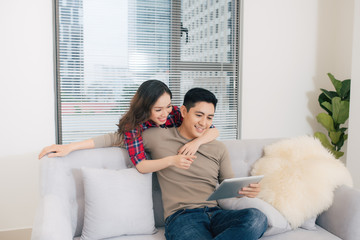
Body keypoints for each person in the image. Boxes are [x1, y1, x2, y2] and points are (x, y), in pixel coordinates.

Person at [141, 88, 268, 240]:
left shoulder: (218, 148)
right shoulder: (158, 137)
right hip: (182, 217)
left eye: (209, 118)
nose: (203, 123)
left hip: (216, 214)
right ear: (183, 111)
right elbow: (119, 137)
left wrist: (246, 191)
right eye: (199, 115)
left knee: (257, 218)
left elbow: (228, 185)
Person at [39, 80, 219, 173]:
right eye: (158, 109)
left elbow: (213, 130)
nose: (165, 113)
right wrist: (70, 147)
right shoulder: (133, 127)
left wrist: (196, 143)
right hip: (164, 167)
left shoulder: (175, 114)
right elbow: (139, 164)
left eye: (168, 106)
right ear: (145, 108)